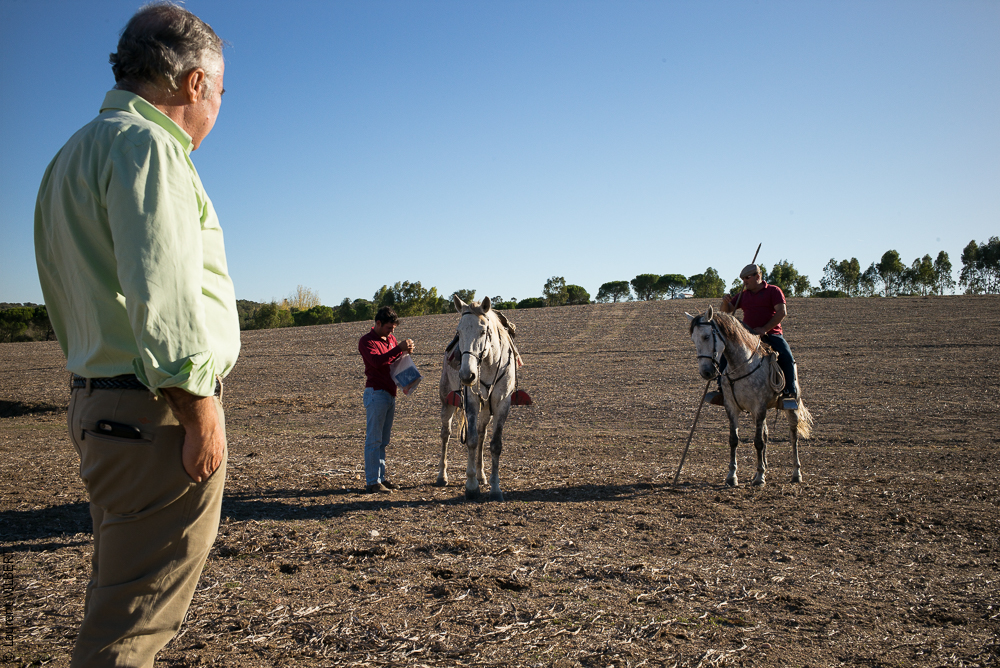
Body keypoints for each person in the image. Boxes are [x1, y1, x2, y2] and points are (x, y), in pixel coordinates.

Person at [33, 4, 238, 666]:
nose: (217, 109)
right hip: (156, 418)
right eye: (221, 92)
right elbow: (165, 294)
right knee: (130, 634)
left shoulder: (73, 153)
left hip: (102, 410)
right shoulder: (149, 147)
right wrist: (201, 412)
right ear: (194, 82)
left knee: (119, 601)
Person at [706, 263, 799, 406]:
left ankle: (789, 393)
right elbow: (726, 311)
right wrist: (725, 302)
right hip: (746, 335)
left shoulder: (774, 291)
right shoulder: (743, 295)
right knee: (726, 353)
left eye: (747, 278)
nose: (745, 282)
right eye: (743, 279)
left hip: (771, 334)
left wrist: (765, 329)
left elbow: (782, 312)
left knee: (786, 356)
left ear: (758, 276)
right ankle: (721, 390)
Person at [358, 307, 415, 494]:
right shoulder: (366, 341)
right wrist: (399, 348)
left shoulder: (390, 339)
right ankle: (372, 481)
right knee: (374, 439)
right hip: (376, 393)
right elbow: (377, 362)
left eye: (394, 329)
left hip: (390, 393)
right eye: (389, 328)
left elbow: (392, 361)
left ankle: (380, 478)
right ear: (378, 324)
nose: (392, 332)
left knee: (383, 440)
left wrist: (404, 352)